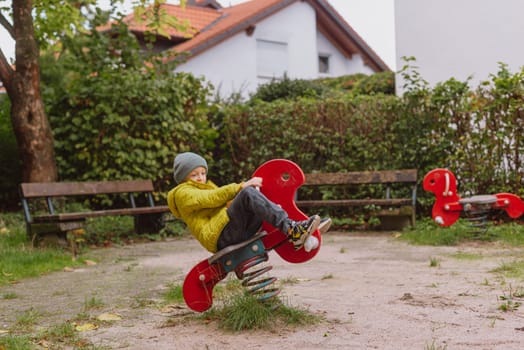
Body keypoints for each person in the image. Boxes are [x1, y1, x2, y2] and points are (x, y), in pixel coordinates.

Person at [167, 152, 329, 254]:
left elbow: (226, 203)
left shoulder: (204, 186)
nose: (201, 177)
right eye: (194, 175)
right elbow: (211, 198)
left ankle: (300, 234)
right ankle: (293, 229)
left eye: (202, 173)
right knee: (247, 193)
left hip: (228, 230)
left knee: (256, 196)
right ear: (183, 178)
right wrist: (241, 187)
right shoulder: (182, 193)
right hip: (219, 237)